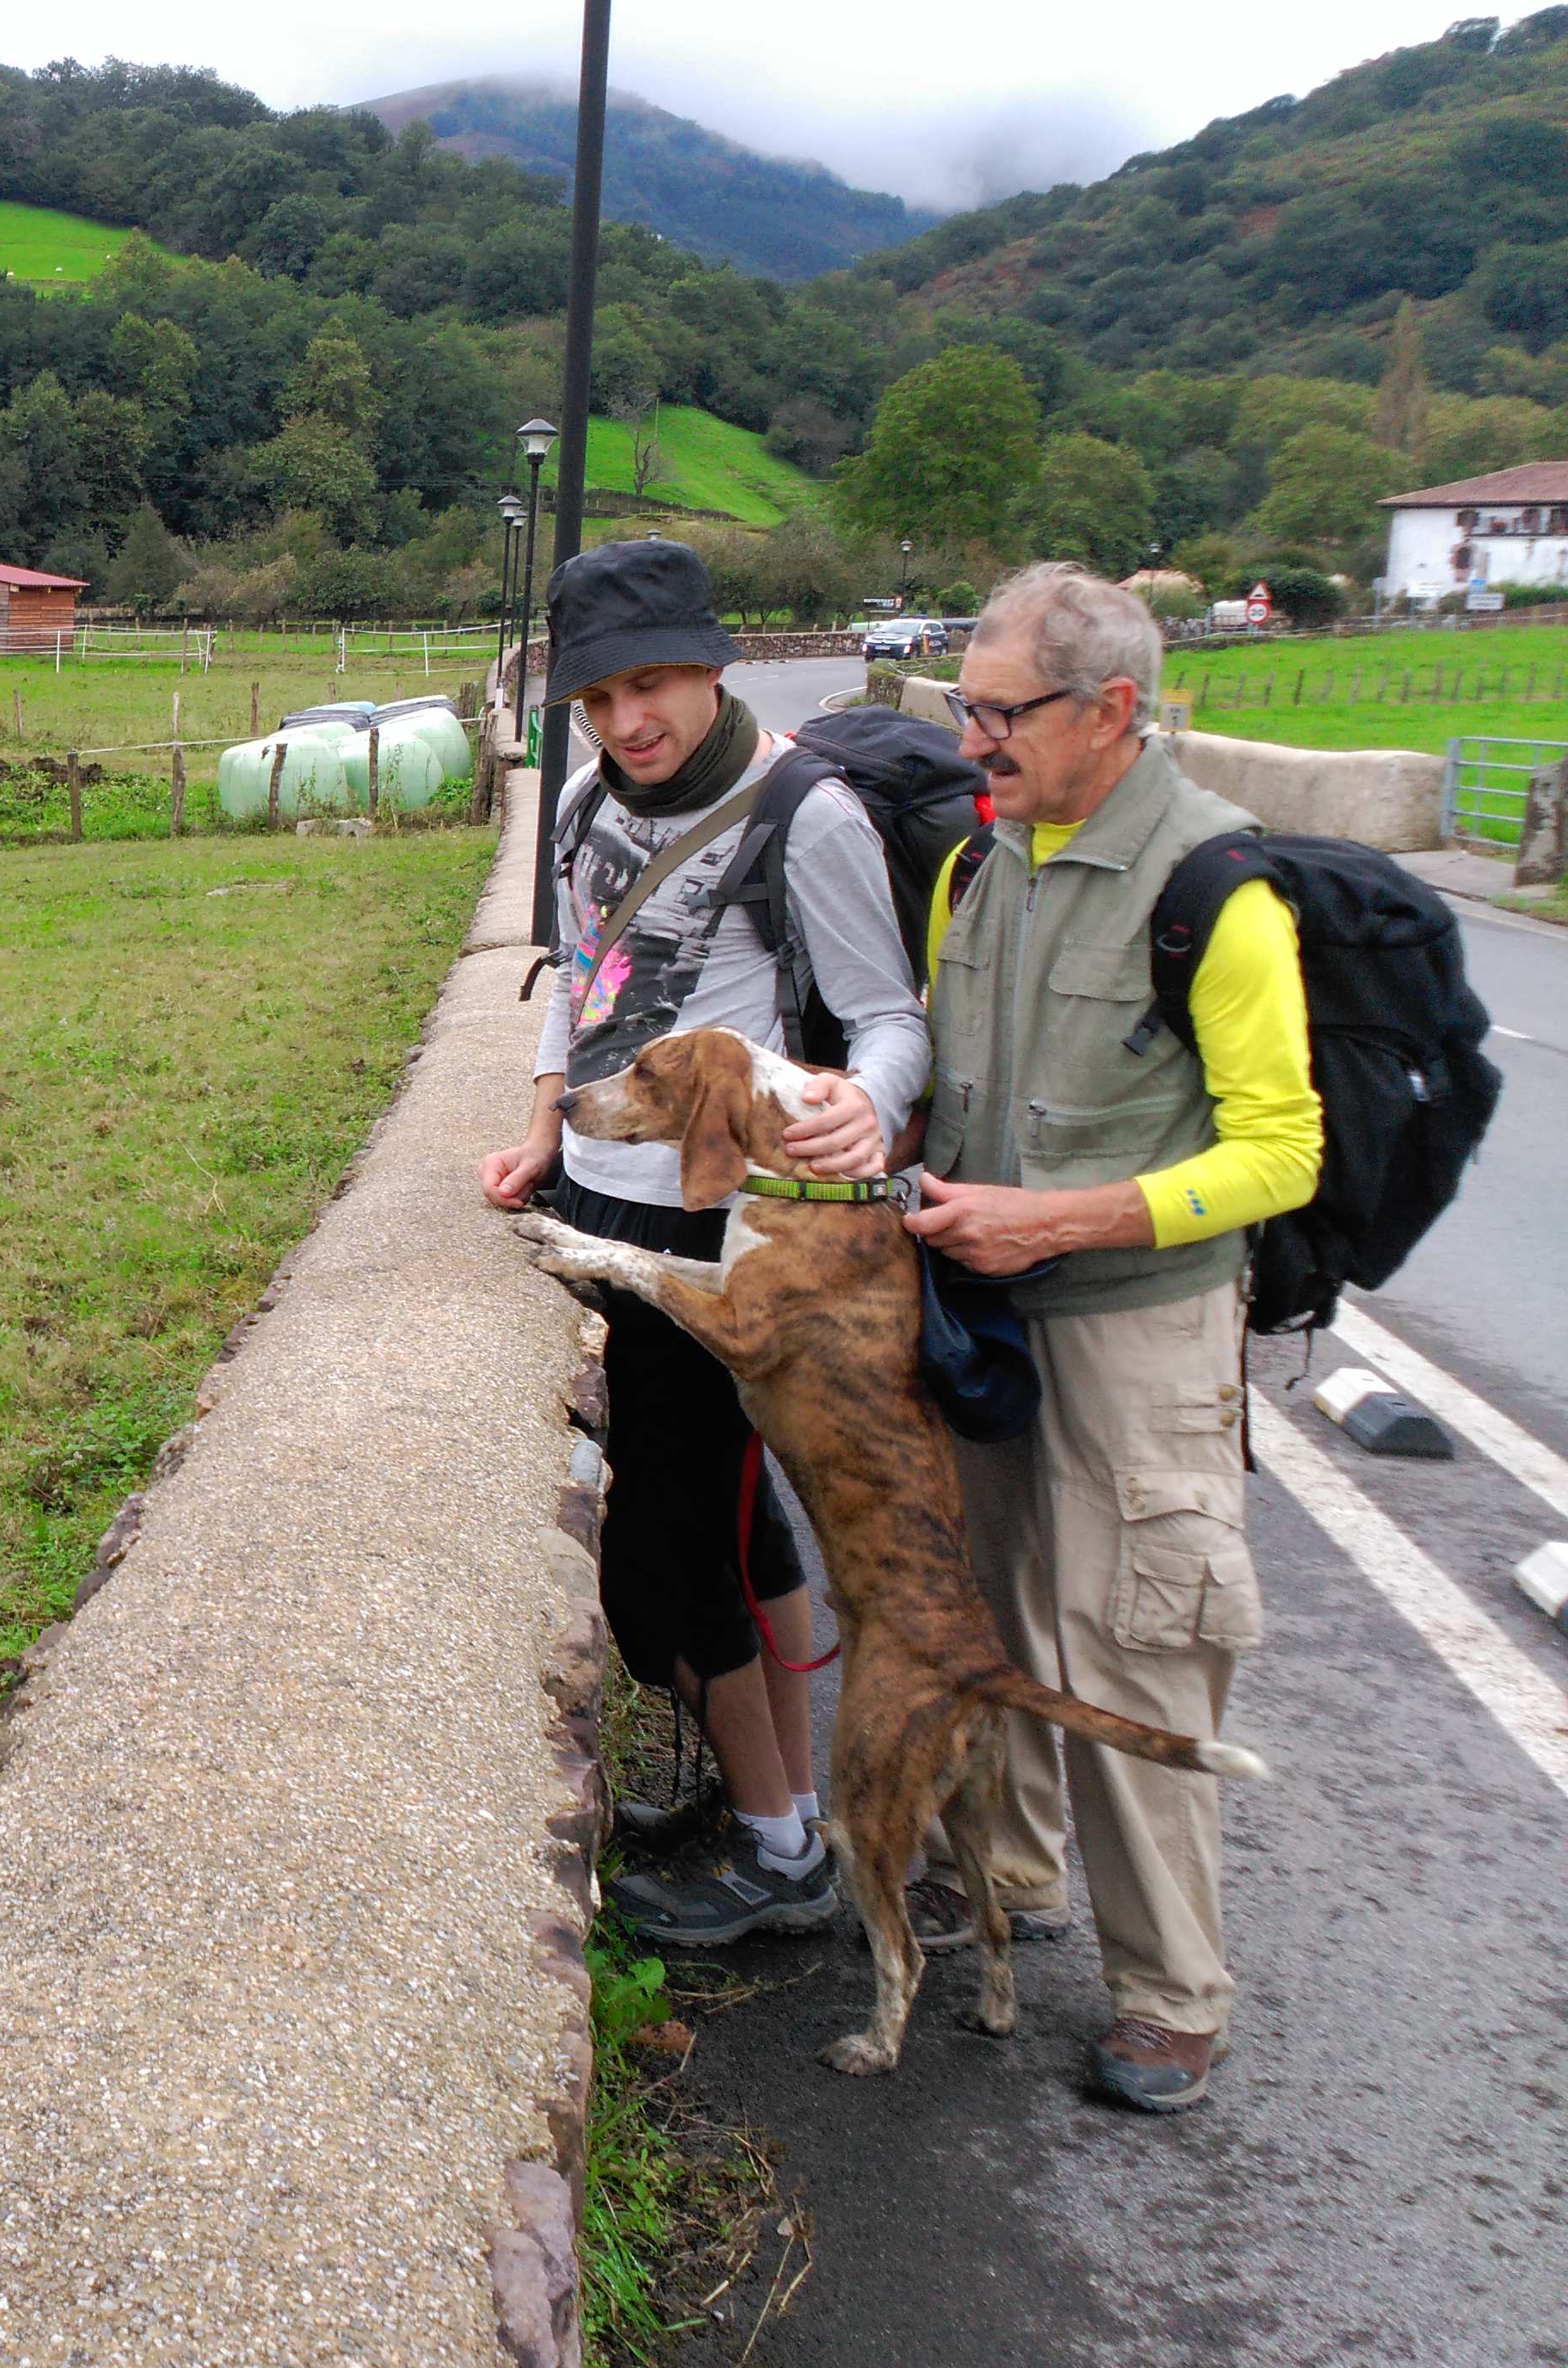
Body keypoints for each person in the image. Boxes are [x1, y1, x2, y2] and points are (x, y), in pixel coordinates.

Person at [902, 561, 1320, 2116]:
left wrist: (1057, 1222)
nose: (972, 742)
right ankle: (1010, 1880)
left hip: (1140, 1327)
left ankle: (1172, 1996)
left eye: (1000, 714)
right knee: (993, 1612)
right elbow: (948, 1084)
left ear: (1112, 711)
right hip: (989, 1314)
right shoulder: (978, 864)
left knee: (1137, 1643)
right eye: (966, 705)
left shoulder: (1219, 888)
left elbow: (1284, 1154)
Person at [480, 538, 924, 1944]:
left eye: (652, 685)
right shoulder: (589, 803)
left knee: (679, 1539)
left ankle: (782, 1851)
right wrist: (548, 1128)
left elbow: (890, 1017)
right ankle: (768, 1805)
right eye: (599, 699)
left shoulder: (807, 811)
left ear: (713, 660)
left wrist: (871, 1107)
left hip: (720, 1228)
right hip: (598, 1202)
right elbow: (582, 978)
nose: (627, 723)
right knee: (722, 1519)